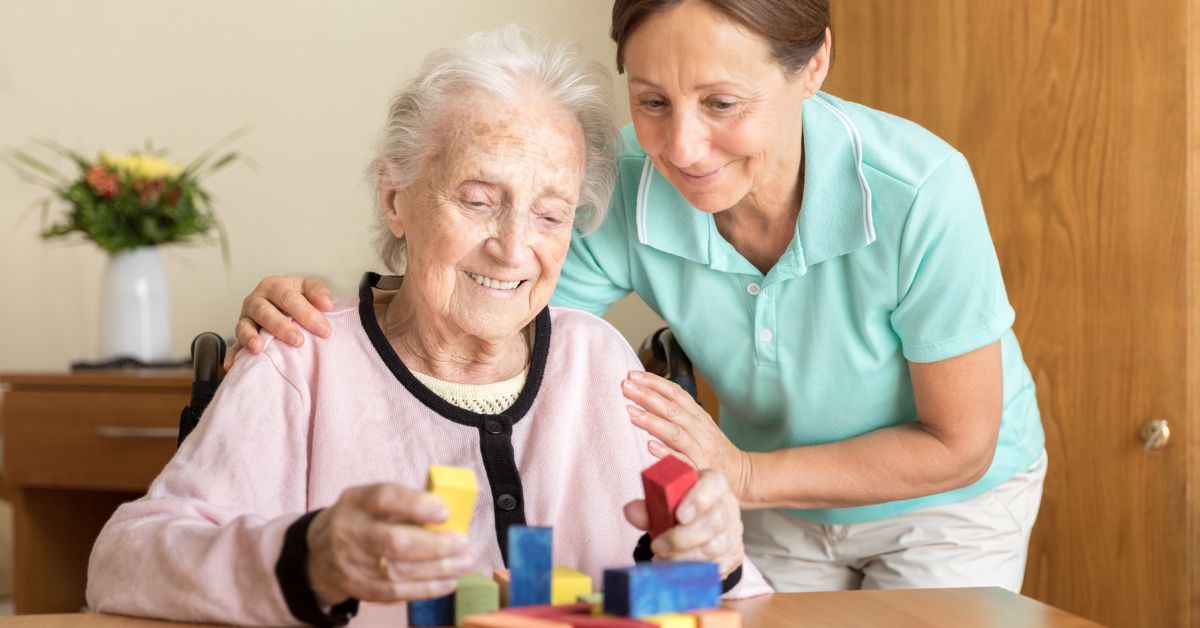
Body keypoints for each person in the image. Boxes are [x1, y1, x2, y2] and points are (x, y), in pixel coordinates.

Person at [232, 0, 1047, 594]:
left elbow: (959, 443)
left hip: (947, 500)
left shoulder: (917, 191)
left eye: (723, 103)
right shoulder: (624, 178)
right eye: (652, 101)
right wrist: (337, 315)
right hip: (769, 496)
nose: (682, 147)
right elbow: (495, 311)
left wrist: (742, 476)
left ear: (815, 68)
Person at [86, 26, 769, 627]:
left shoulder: (599, 363)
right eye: (478, 200)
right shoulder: (301, 357)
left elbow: (734, 596)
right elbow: (122, 563)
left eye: (550, 214)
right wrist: (311, 558)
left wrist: (715, 556)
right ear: (395, 199)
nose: (512, 246)